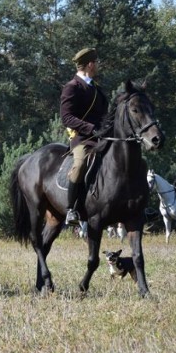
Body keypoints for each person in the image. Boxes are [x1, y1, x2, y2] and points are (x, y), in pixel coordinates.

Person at [60, 48, 109, 225]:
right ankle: (71, 209)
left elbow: (105, 115)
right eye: (96, 62)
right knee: (80, 165)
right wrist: (91, 128)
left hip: (104, 137)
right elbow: (66, 117)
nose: (98, 66)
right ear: (90, 64)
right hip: (83, 138)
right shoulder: (72, 87)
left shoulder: (97, 88)